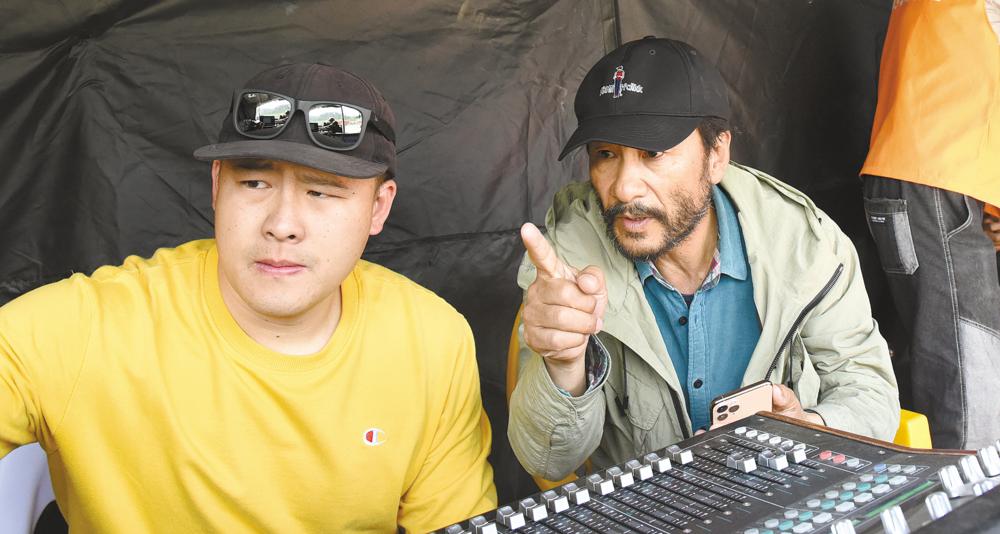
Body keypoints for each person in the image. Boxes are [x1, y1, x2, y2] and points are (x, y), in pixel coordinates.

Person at [0, 63, 496, 532]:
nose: (282, 224)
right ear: (217, 186)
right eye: (254, 182)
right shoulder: (84, 329)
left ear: (378, 208)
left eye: (321, 192)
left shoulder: (430, 341)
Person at [508, 37, 899, 481]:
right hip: (649, 510)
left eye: (653, 153)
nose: (623, 187)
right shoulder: (567, 267)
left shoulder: (804, 244)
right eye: (606, 154)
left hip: (785, 495)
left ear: (717, 156)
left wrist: (810, 429)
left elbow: (869, 391)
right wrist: (564, 366)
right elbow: (548, 461)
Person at [860, 0, 1000, 450]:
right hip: (938, 176)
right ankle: (974, 487)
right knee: (967, 368)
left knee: (946, 358)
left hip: (924, 173)